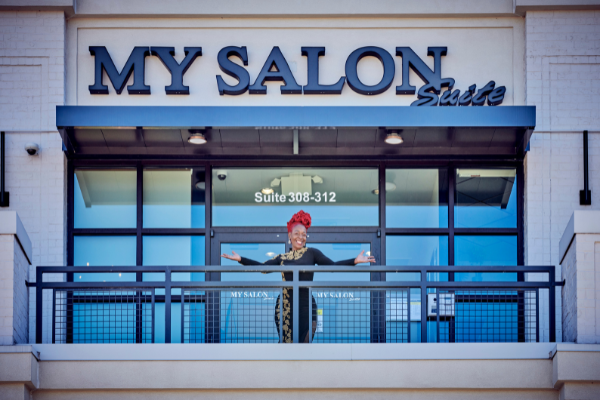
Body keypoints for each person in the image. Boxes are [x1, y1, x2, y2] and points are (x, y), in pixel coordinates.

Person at [221, 210, 375, 343]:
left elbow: (332, 267)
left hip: (307, 305)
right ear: (290, 235)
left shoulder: (312, 253)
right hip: (285, 306)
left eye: (304, 234)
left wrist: (354, 261)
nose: (301, 237)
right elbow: (263, 268)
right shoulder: (281, 257)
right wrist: (241, 259)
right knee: (287, 346)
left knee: (305, 345)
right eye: (297, 233)